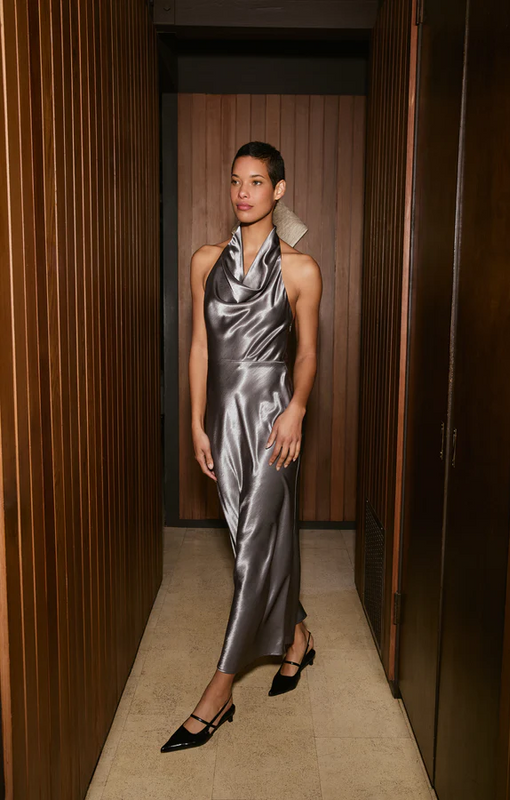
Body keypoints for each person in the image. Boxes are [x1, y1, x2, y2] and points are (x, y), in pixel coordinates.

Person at [161, 141, 322, 753]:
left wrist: (298, 410)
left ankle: (218, 692)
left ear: (278, 191)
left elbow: (306, 353)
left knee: (255, 547)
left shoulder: (302, 268)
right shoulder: (205, 261)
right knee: (249, 539)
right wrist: (197, 422)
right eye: (236, 181)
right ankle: (297, 636)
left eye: (257, 182)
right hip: (223, 419)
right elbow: (199, 347)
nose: (244, 191)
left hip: (275, 419)